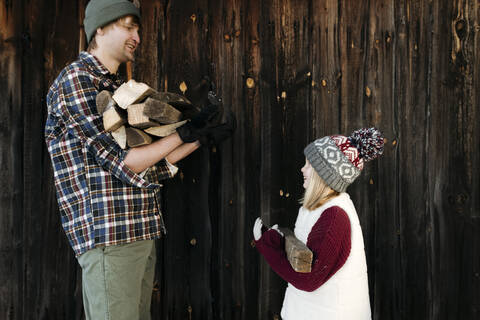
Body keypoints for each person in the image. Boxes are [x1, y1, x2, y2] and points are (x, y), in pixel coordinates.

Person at [44, 0, 234, 319]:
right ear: (99, 29)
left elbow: (151, 165)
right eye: (128, 26)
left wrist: (201, 137)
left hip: (138, 231)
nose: (137, 36)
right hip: (109, 235)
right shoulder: (78, 82)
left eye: (138, 29)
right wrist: (186, 132)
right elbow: (124, 162)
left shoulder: (119, 89)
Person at [253, 127, 384, 320]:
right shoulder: (314, 208)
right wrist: (282, 242)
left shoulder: (334, 216)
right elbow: (308, 259)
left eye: (309, 164)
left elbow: (310, 280)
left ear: (325, 173)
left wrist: (269, 247)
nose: (302, 169)